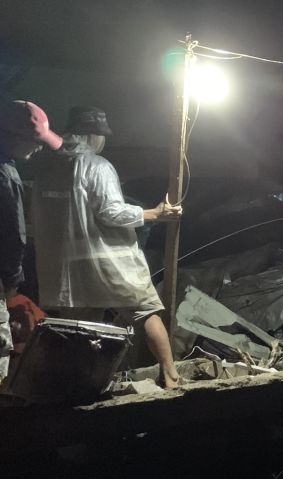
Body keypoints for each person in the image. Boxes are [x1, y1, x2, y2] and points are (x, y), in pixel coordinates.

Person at [33, 106, 182, 387]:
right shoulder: (97, 165)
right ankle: (171, 375)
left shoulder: (47, 167)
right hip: (108, 261)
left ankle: (84, 387)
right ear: (93, 135)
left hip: (68, 269)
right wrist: (153, 213)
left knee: (82, 330)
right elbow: (110, 212)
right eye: (102, 136)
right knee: (145, 310)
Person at [1, 100, 62, 383]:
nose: (38, 148)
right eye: (35, 141)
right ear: (12, 136)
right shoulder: (6, 175)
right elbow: (13, 234)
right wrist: (12, 279)